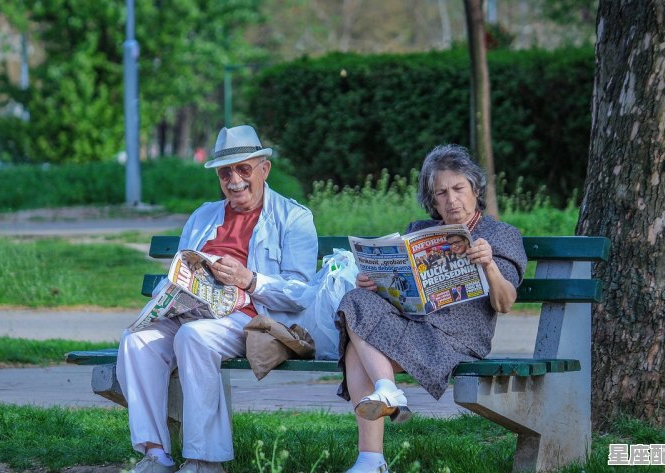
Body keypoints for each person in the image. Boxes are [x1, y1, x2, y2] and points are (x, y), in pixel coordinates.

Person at [117, 125, 318, 473]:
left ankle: (205, 461)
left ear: (264, 169)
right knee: (137, 341)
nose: (235, 180)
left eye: (244, 169)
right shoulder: (203, 215)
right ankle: (155, 454)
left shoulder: (293, 218)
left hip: (250, 318)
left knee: (194, 337)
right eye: (226, 172)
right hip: (192, 311)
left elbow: (302, 293)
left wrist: (250, 280)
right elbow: (182, 267)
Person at [335, 144, 527, 473]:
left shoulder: (500, 235)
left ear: (475, 188)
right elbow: (397, 293)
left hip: (458, 341)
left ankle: (372, 455)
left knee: (356, 348)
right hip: (414, 327)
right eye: (441, 193)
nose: (452, 200)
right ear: (432, 200)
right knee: (355, 300)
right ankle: (385, 399)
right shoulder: (419, 231)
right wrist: (375, 284)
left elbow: (505, 302)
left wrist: (489, 265)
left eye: (458, 188)